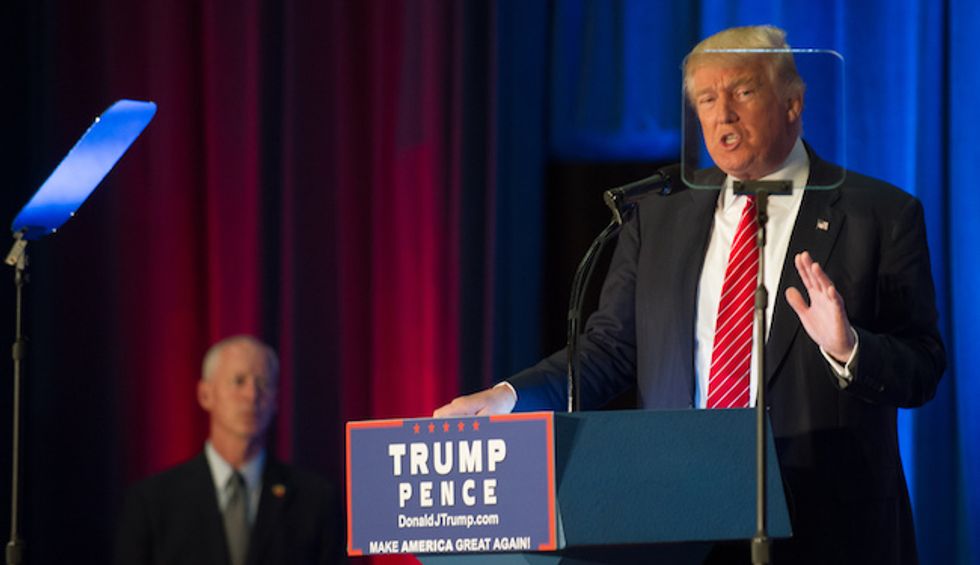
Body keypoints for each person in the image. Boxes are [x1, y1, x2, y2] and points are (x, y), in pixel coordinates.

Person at [434, 25, 944, 564]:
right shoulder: (657, 217)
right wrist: (508, 398)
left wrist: (850, 349)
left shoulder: (879, 216)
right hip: (681, 522)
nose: (723, 113)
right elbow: (609, 352)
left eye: (743, 91)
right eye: (706, 98)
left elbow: (923, 365)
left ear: (793, 102)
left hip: (826, 529)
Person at [114, 335, 345, 565]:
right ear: (205, 395)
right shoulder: (153, 502)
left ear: (276, 401)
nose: (252, 395)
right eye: (238, 381)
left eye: (263, 384)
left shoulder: (315, 501)